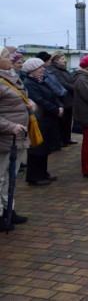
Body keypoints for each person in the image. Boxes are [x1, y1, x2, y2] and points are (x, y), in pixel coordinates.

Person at [0, 47, 31, 230]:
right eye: (6, 56)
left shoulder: (12, 77)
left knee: (10, 176)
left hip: (16, 138)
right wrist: (10, 126)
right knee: (1, 177)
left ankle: (8, 210)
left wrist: (29, 103)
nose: (11, 59)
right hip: (5, 138)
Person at [21, 58, 62, 186]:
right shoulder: (29, 83)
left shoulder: (41, 81)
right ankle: (34, 176)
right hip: (39, 119)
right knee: (37, 149)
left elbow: (53, 95)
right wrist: (56, 110)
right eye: (40, 68)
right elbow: (39, 101)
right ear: (32, 70)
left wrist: (59, 106)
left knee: (45, 148)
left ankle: (43, 173)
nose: (43, 69)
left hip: (48, 119)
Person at [49, 53, 77, 146]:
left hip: (69, 99)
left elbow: (70, 80)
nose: (64, 60)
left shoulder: (64, 70)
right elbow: (63, 84)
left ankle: (67, 138)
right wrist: (75, 88)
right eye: (61, 59)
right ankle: (61, 140)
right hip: (63, 99)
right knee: (62, 121)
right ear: (56, 60)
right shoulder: (55, 71)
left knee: (68, 120)